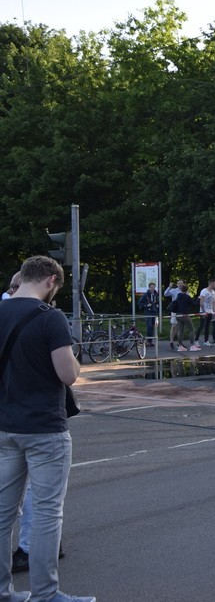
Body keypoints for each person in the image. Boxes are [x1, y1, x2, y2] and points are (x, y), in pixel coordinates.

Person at [0, 255, 96, 602]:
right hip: (43, 429)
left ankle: (3, 592)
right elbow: (68, 374)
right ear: (51, 281)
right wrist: (74, 358)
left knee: (2, 513)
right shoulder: (50, 317)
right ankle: (45, 594)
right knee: (45, 514)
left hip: (5, 427)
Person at [170, 285, 200, 352]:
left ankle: (180, 346)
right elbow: (194, 304)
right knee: (192, 330)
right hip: (184, 315)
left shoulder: (178, 296)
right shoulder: (187, 297)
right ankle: (192, 345)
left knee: (180, 331)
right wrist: (198, 298)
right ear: (187, 290)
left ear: (181, 290)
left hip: (177, 315)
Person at [164, 280, 185, 349]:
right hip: (175, 310)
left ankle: (180, 343)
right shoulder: (174, 290)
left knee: (181, 327)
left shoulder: (185, 290)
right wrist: (169, 287)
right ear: (177, 284)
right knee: (174, 326)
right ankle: (171, 342)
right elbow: (165, 294)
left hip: (182, 311)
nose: (180, 284)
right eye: (179, 283)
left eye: (181, 283)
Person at [198, 279, 215, 347]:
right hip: (204, 311)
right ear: (211, 283)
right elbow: (201, 303)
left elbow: (214, 302)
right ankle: (196, 340)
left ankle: (206, 341)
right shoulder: (204, 291)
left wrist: (214, 312)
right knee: (201, 326)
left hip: (210, 311)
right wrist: (203, 312)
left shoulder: (213, 292)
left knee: (207, 326)